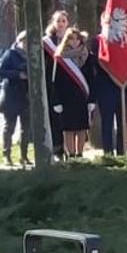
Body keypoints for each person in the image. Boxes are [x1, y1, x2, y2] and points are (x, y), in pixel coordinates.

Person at [49, 29, 93, 159]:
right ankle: (71, 155)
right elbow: (55, 81)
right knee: (68, 129)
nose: (74, 41)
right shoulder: (60, 57)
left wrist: (92, 100)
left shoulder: (87, 55)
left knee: (81, 128)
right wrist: (56, 101)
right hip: (66, 98)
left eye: (77, 39)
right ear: (66, 40)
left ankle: (79, 155)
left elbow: (91, 79)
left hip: (82, 97)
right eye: (71, 38)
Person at [0, 31, 32, 165]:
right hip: (12, 95)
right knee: (9, 127)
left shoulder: (32, 55)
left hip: (26, 96)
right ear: (19, 41)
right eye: (24, 42)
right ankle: (6, 154)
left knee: (26, 128)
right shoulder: (10, 54)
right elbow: (2, 71)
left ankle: (24, 155)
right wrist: (18, 75)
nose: (26, 45)